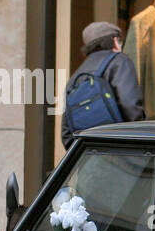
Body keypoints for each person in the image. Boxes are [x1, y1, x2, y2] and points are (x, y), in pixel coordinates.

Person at [61, 21, 145, 149]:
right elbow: (131, 106)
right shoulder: (119, 61)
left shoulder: (77, 75)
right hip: (121, 150)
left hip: (90, 155)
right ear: (115, 41)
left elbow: (66, 130)